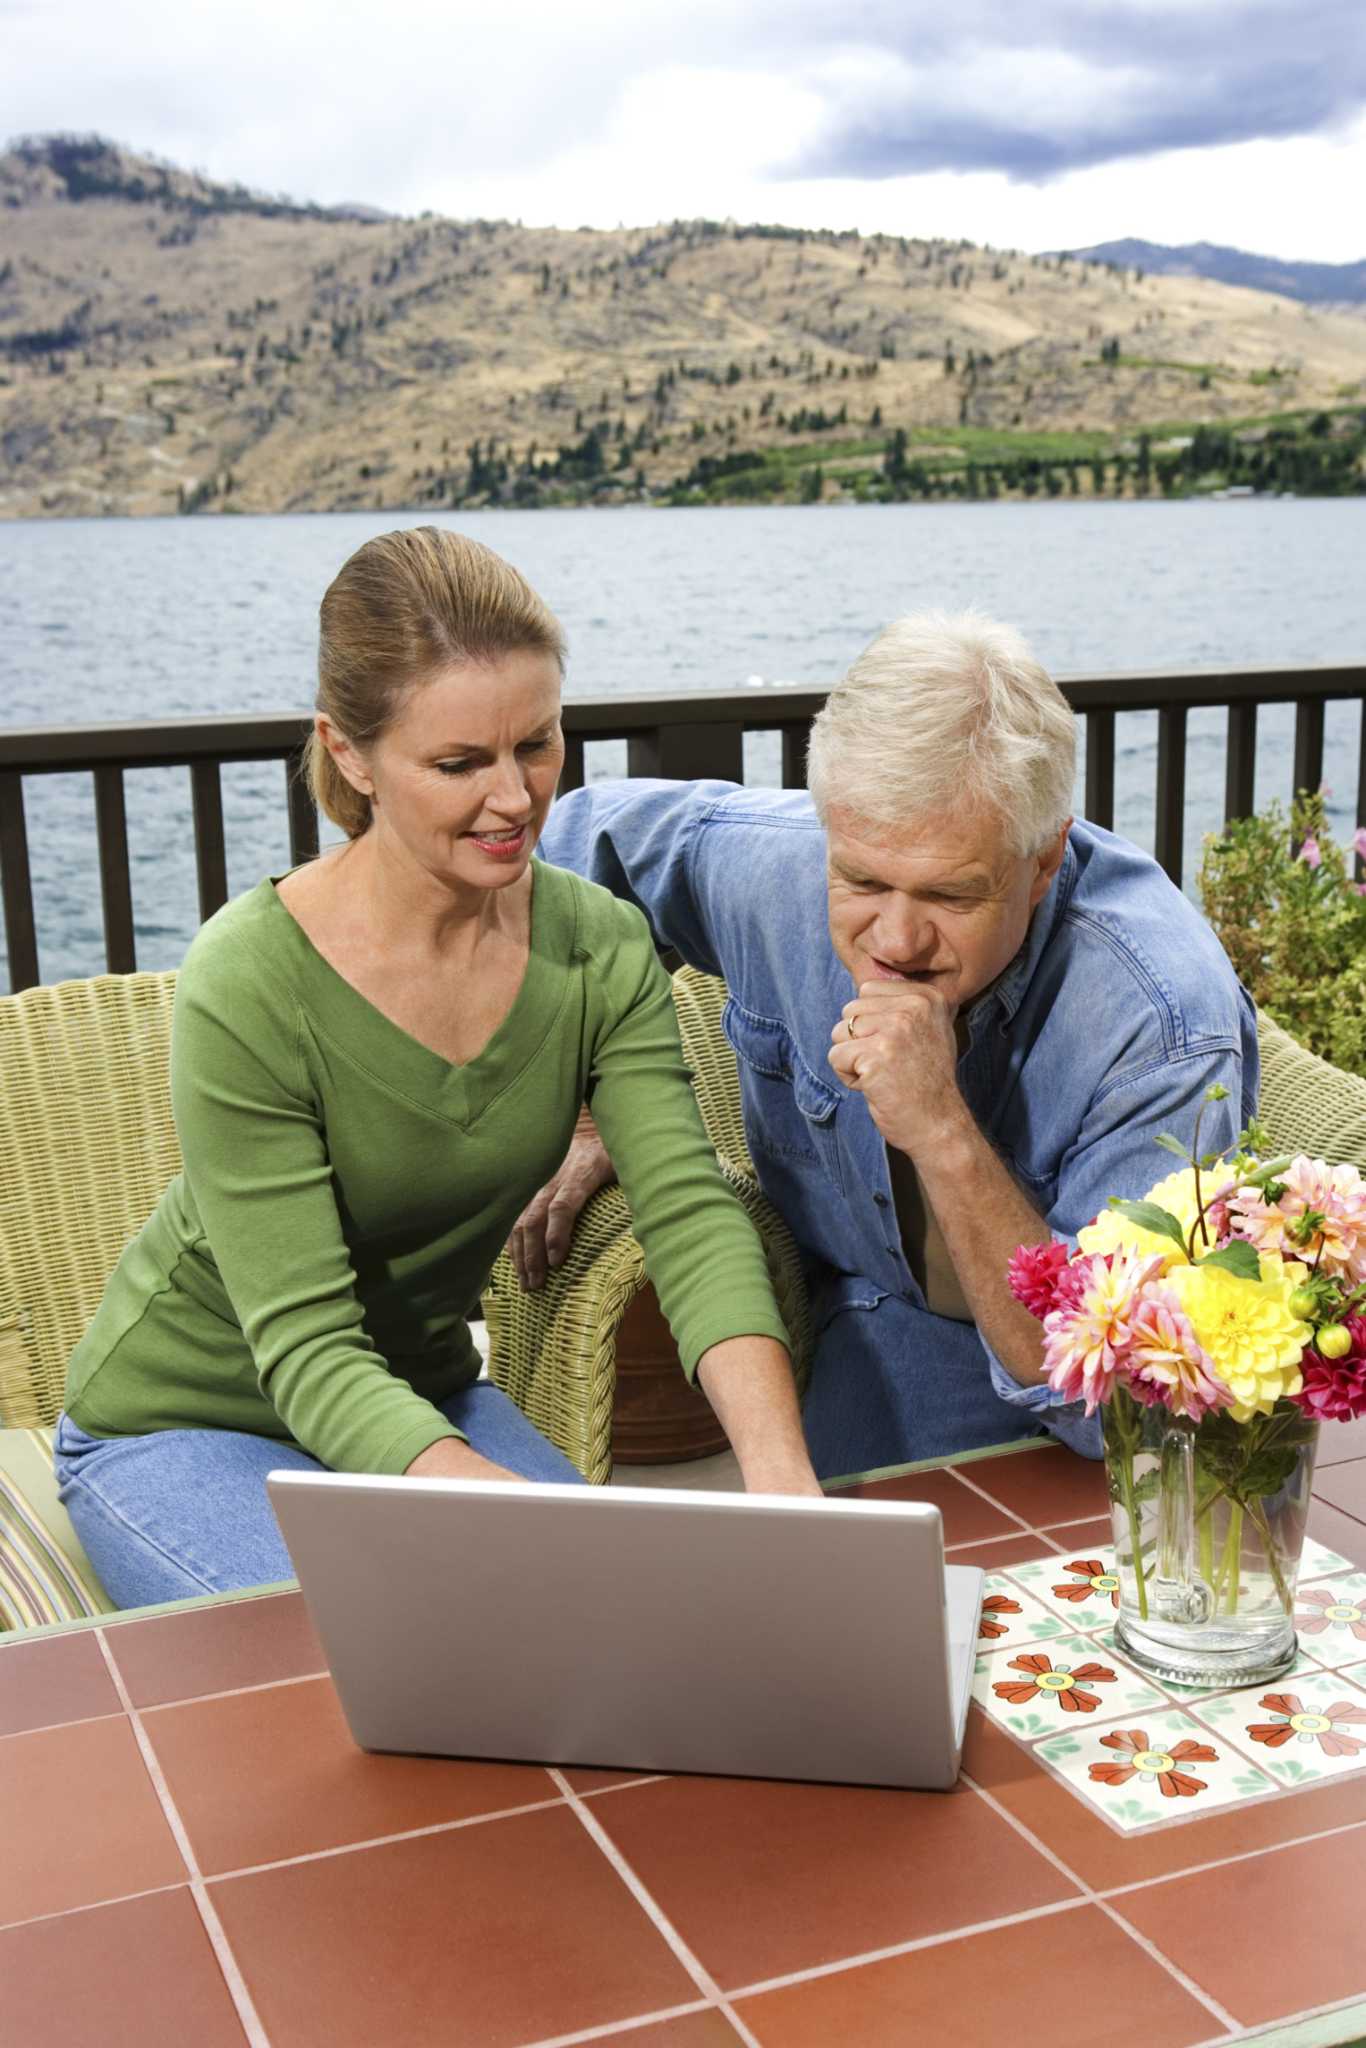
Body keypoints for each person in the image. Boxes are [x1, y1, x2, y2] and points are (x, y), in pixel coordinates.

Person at [54, 526, 820, 1608]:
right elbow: (309, 1346)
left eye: (537, 745)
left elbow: (691, 1218)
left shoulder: (598, 945)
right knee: (437, 1641)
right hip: (186, 1421)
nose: (514, 799)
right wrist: (513, 1527)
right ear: (351, 753)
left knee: (620, 1620)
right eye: (459, 763)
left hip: (420, 1395)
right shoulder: (250, 977)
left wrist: (781, 1479)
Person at [522, 611, 1259, 1481]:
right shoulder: (772, 864)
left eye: (951, 894)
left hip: (1041, 1388)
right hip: (849, 1310)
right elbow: (563, 856)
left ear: (1044, 861)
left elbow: (1113, 1408)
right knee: (823, 1594)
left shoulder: (1163, 1026)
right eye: (863, 880)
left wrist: (941, 1127)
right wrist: (591, 1100)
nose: (898, 940)